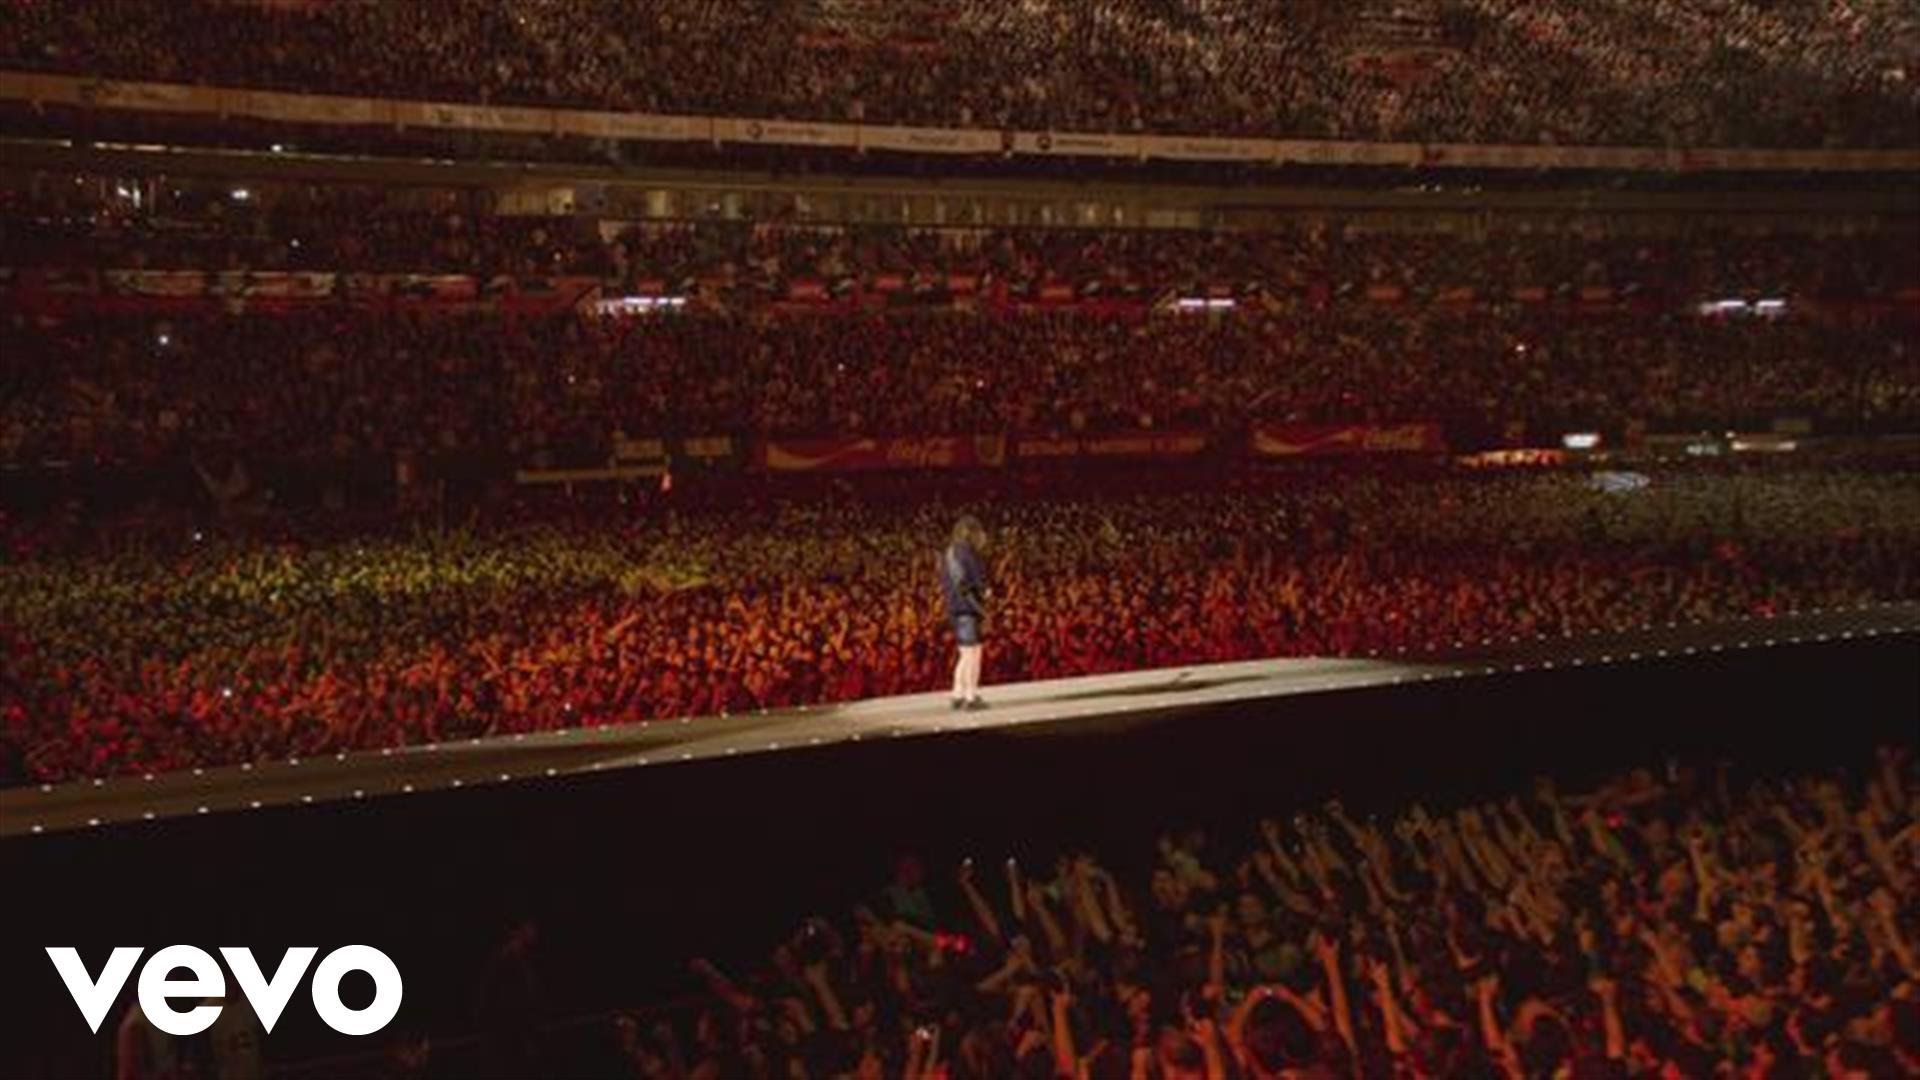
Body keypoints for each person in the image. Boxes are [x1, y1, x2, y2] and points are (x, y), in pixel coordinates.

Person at [940, 515, 991, 710]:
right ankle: (971, 697)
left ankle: (957, 694)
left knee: (964, 653)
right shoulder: (969, 554)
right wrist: (987, 593)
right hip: (969, 608)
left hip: (954, 608)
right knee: (973, 653)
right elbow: (979, 583)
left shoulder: (949, 554)